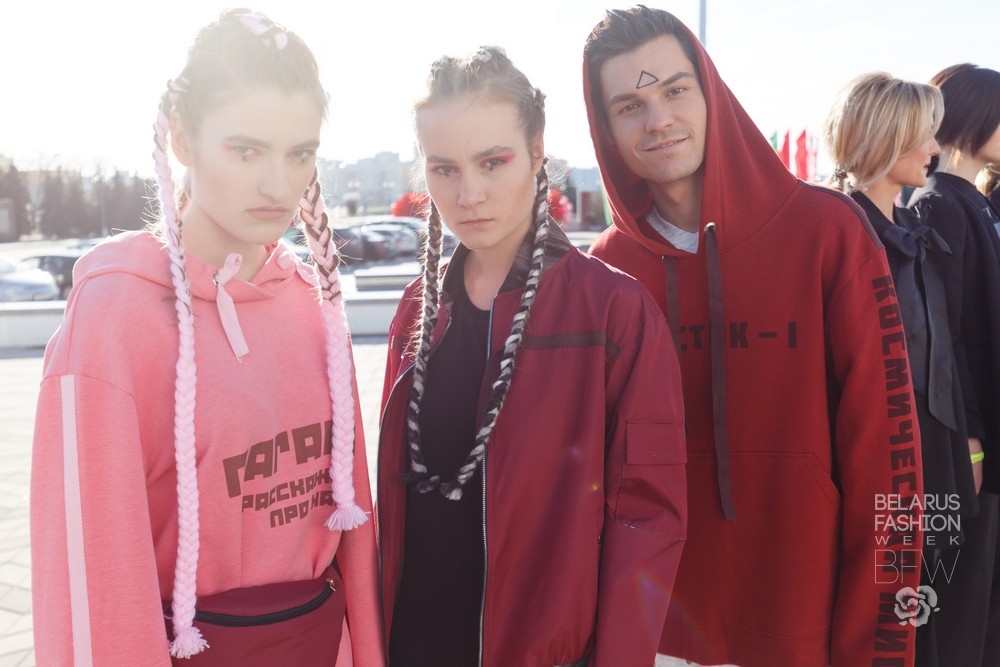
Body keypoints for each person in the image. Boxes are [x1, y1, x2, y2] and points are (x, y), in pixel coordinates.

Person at [30, 10, 383, 666]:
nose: (279, 184)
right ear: (183, 140)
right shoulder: (115, 319)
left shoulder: (313, 303)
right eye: (246, 151)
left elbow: (354, 530)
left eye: (300, 153)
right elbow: (93, 581)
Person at [583, 7, 923, 667]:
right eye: (629, 105)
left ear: (711, 93)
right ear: (606, 129)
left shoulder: (826, 232)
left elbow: (889, 457)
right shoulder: (606, 269)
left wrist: (880, 644)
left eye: (675, 90)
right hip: (654, 637)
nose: (658, 120)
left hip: (804, 629)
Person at [377, 45, 687, 666]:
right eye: (444, 168)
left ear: (537, 148)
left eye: (493, 161)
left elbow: (648, 518)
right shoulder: (418, 308)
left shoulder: (613, 312)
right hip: (412, 644)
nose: (469, 193)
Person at [825, 72, 981, 666]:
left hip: (934, 454)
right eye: (923, 134)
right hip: (881, 464)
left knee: (929, 605)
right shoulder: (840, 234)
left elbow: (946, 347)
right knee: (889, 617)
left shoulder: (914, 231)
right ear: (886, 136)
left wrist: (966, 446)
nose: (935, 148)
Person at [907, 62, 1000, 667]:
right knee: (962, 610)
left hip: (984, 434)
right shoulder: (940, 204)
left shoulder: (975, 202)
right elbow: (946, 338)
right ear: (973, 117)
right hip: (971, 444)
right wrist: (970, 440)